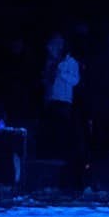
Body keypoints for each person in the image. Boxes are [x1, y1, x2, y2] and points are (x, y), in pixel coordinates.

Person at [40, 31, 80, 162]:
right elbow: (47, 79)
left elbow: (75, 80)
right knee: (52, 130)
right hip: (51, 99)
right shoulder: (51, 62)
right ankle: (51, 156)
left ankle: (61, 158)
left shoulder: (71, 62)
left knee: (62, 130)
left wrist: (61, 73)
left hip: (64, 101)